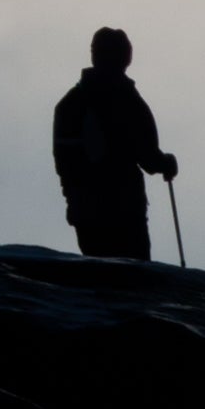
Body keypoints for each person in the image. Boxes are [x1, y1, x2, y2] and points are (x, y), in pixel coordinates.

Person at [51, 26, 176, 260]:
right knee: (133, 278)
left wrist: (73, 198)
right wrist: (166, 163)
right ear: (124, 58)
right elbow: (147, 156)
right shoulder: (126, 100)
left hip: (85, 209)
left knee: (100, 278)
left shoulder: (70, 103)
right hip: (124, 207)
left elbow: (63, 160)